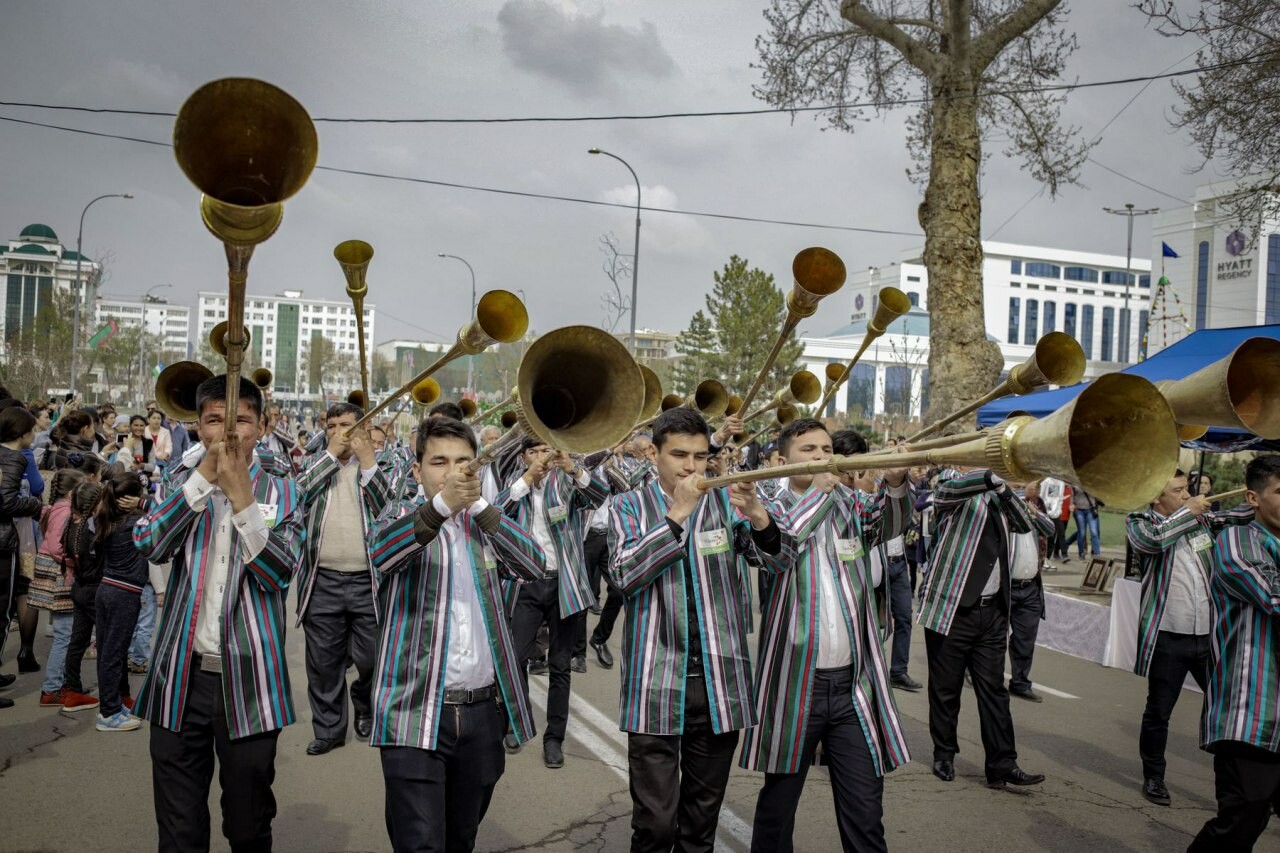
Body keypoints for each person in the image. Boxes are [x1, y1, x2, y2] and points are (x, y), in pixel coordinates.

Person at [132, 374, 305, 853]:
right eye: (213, 420)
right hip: (178, 678)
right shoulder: (176, 477)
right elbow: (149, 544)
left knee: (248, 825)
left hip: (250, 681)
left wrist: (243, 497)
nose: (227, 432)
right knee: (179, 830)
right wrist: (203, 482)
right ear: (198, 426)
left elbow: (279, 574)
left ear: (262, 426)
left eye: (241, 421)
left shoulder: (285, 492)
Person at [608, 407, 792, 852]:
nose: (691, 466)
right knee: (654, 826)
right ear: (653, 453)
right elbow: (624, 575)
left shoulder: (726, 502)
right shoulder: (626, 506)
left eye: (700, 455)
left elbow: (778, 561)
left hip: (718, 684)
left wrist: (758, 515)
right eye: (679, 455)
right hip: (655, 683)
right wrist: (678, 514)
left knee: (700, 825)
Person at [366, 416, 545, 853]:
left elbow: (534, 565)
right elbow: (383, 554)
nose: (453, 472)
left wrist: (480, 508)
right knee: (421, 842)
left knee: (461, 838)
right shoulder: (396, 513)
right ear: (417, 471)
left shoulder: (486, 522)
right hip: (413, 711)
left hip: (482, 713)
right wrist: (441, 507)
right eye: (439, 462)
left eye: (465, 462)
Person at [743, 418, 911, 853]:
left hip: (854, 683)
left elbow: (891, 524)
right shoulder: (767, 506)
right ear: (781, 461)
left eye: (826, 449)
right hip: (796, 684)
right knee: (779, 807)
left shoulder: (850, 503)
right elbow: (778, 552)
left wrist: (894, 483)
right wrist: (819, 491)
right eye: (809, 451)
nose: (822, 457)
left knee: (865, 811)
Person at [1126, 469, 1254, 807]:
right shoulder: (1140, 520)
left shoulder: (1200, 521)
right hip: (1169, 638)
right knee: (1158, 713)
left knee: (1226, 710)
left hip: (1208, 636)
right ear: (1156, 496)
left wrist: (1259, 493)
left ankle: (1236, 785)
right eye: (1179, 490)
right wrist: (1188, 512)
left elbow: (1237, 514)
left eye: (1187, 490)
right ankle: (1154, 776)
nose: (1186, 495)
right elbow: (1151, 542)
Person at [919, 467, 1051, 788]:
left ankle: (1002, 764)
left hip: (992, 612)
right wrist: (989, 476)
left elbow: (1025, 524)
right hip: (952, 607)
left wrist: (1005, 489)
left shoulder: (1000, 494)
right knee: (946, 689)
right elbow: (946, 492)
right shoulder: (953, 484)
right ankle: (944, 754)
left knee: (994, 691)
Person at [498, 437, 608, 768]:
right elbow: (495, 511)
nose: (541, 458)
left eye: (546, 451)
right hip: (526, 584)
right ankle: (516, 724)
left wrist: (573, 468)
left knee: (560, 666)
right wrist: (527, 479)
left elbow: (600, 495)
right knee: (515, 659)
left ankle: (554, 738)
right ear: (523, 456)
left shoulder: (567, 482)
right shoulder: (515, 484)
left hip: (565, 584)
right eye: (534, 452)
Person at [295, 401, 396, 756]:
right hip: (322, 580)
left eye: (347, 425)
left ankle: (365, 704)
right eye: (332, 425)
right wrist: (328, 458)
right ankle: (329, 729)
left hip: (369, 582)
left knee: (371, 658)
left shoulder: (385, 464)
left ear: (364, 429)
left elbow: (392, 509)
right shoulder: (313, 464)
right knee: (323, 663)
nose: (338, 432)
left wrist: (367, 461)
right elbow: (295, 497)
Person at [1190, 454, 1280, 851]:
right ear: (1253, 498)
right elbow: (1273, 596)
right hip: (1252, 713)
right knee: (1244, 817)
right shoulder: (1238, 540)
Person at [92, 471, 149, 732]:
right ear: (134, 498)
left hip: (106, 589)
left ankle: (112, 703)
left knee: (107, 653)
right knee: (113, 655)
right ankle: (109, 713)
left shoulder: (106, 518)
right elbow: (168, 519)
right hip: (124, 594)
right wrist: (144, 506)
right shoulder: (137, 522)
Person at [0, 406, 47, 706]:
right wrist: (35, 506)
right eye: (31, 430)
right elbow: (6, 503)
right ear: (21, 434)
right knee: (2, 612)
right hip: (5, 543)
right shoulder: (15, 458)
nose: (33, 435)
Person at [32, 468, 86, 707]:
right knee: (64, 634)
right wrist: (75, 560)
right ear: (74, 491)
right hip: (60, 574)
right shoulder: (65, 511)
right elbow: (56, 546)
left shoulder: (53, 508)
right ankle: (52, 688)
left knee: (64, 632)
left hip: (52, 573)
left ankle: (57, 684)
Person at [1007, 481, 1055, 703]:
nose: (1025, 486)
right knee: (994, 638)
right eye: (1018, 482)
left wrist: (1034, 513)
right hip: (1005, 586)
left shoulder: (1035, 510)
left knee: (1025, 640)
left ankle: (1020, 682)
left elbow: (1050, 529)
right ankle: (986, 679)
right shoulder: (1002, 507)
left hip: (1030, 587)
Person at [1064, 488, 1101, 559]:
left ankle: (1097, 554)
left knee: (1094, 532)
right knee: (1082, 533)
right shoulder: (1075, 484)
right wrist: (1071, 504)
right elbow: (1072, 495)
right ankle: (1081, 553)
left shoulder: (1092, 483)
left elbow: (1098, 493)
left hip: (1090, 509)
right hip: (1079, 510)